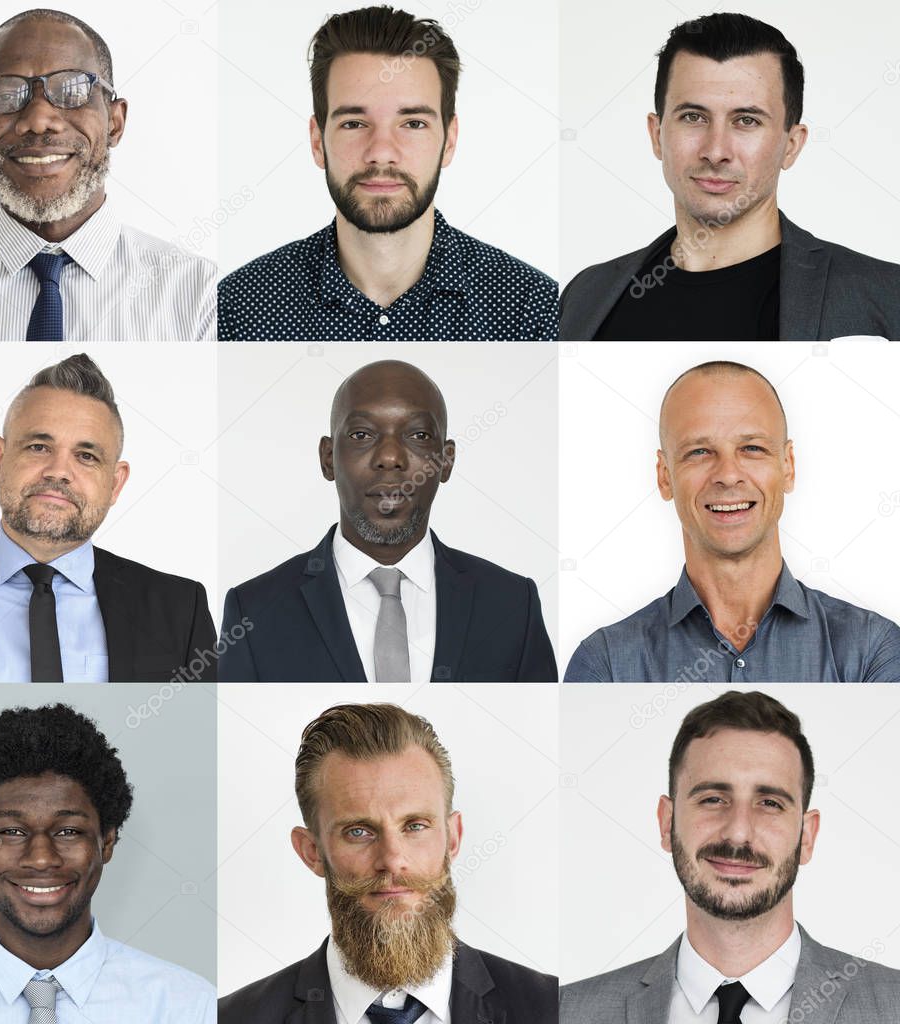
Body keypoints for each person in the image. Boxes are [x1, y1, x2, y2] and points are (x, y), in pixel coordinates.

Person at [218, 5, 558, 341]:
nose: (381, 151)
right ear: (317, 141)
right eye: (354, 123)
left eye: (413, 123)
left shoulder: (533, 310)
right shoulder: (237, 308)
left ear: (449, 141)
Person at [559, 690, 900, 1022]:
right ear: (667, 823)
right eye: (713, 799)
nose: (738, 832)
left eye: (770, 803)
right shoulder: (567, 1011)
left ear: (807, 836)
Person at [0, 9, 217, 341]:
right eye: (7, 95)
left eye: (71, 90)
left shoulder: (198, 295)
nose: (38, 120)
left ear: (115, 122)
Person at [559, 12, 900, 341]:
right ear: (657, 134)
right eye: (693, 117)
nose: (716, 150)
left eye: (746, 121)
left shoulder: (886, 297)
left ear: (791, 146)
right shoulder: (585, 296)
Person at [0, 353, 217, 682]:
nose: (58, 472)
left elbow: (192, 739)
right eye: (39, 447)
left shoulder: (180, 610)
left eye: (86, 455)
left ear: (115, 484)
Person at [220, 702, 558, 1023]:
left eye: (415, 826)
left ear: (452, 838)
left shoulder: (554, 1009)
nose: (393, 860)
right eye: (358, 831)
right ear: (311, 851)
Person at [218, 359, 556, 681]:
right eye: (362, 435)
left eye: (419, 435)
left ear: (446, 461)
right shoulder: (253, 611)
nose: (390, 457)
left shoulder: (513, 604)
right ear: (327, 458)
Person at [0, 703, 216, 1022]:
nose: (41, 858)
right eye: (12, 831)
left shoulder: (188, 1008)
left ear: (107, 842)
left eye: (68, 831)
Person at [564, 361, 900, 681]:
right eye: (699, 452)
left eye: (752, 448)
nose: (727, 475)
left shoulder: (873, 649)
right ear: (664, 476)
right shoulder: (605, 663)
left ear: (788, 467)